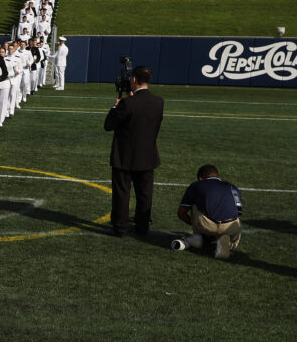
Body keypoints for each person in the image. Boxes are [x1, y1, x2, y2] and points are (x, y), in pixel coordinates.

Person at [103, 65, 164, 237]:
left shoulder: (127, 104)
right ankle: (142, 226)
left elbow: (108, 125)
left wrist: (116, 107)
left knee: (122, 194)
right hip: (147, 156)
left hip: (124, 156)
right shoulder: (159, 102)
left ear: (134, 80)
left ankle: (120, 228)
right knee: (145, 194)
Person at [171, 164, 242, 259]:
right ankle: (230, 244)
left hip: (207, 225)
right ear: (218, 176)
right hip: (231, 227)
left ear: (200, 178)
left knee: (194, 205)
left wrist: (197, 226)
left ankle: (197, 238)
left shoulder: (196, 185)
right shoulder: (232, 187)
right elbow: (239, 212)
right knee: (235, 217)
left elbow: (181, 213)